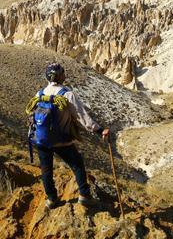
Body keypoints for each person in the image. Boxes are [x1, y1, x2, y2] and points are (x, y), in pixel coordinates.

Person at [27, 62, 110, 209]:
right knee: (77, 164)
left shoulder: (40, 94)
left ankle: (51, 199)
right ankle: (84, 195)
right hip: (61, 140)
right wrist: (99, 130)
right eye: (63, 73)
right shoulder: (66, 94)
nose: (65, 76)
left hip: (41, 139)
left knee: (46, 170)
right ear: (60, 76)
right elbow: (82, 117)